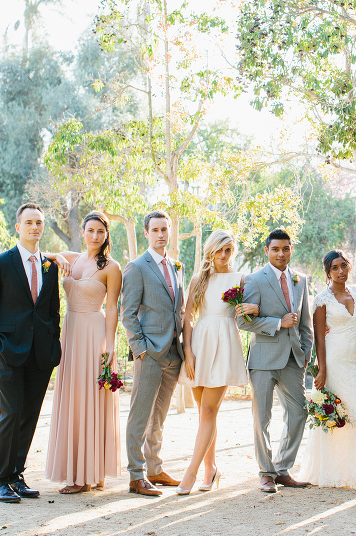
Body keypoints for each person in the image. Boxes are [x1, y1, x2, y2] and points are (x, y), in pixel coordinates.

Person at [0, 203, 63, 503]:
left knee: (29, 416)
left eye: (39, 222)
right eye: (29, 222)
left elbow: (53, 311)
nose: (35, 227)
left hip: (41, 354)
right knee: (10, 414)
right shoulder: (0, 262)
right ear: (18, 227)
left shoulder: (50, 266)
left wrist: (54, 342)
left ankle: (16, 475)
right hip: (9, 352)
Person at [44, 211, 123, 494]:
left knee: (92, 396)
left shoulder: (112, 267)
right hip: (71, 333)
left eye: (100, 231)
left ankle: (88, 474)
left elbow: (112, 307)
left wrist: (111, 345)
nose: (94, 236)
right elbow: (44, 255)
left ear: (106, 235)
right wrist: (58, 257)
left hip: (94, 332)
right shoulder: (73, 258)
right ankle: (83, 470)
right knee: (75, 397)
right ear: (83, 231)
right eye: (90, 230)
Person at [175, 230, 254, 494]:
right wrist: (188, 352)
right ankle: (211, 469)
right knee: (204, 413)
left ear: (233, 251)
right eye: (219, 250)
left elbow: (252, 310)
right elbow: (187, 318)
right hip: (199, 346)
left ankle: (191, 473)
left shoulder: (240, 279)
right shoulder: (199, 279)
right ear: (211, 250)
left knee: (208, 411)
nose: (223, 255)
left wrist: (251, 308)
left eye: (228, 250)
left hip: (225, 345)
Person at [239, 229, 313, 493]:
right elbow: (242, 321)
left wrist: (306, 352)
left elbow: (305, 322)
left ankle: (282, 468)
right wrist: (277, 323)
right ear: (267, 251)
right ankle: (266, 472)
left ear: (291, 249)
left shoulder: (300, 280)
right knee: (262, 418)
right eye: (275, 249)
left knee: (299, 413)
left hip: (294, 359)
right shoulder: (254, 280)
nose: (281, 254)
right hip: (263, 359)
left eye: (285, 248)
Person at [120, 210, 186, 496]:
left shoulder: (176, 266)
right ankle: (136, 475)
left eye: (165, 229)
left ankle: (155, 468)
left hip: (173, 352)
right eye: (155, 230)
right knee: (140, 415)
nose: (161, 234)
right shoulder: (137, 267)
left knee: (159, 417)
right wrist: (140, 349)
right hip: (150, 354)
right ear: (146, 233)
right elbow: (128, 313)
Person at [300, 250, 356, 489]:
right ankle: (330, 472)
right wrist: (322, 370)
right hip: (334, 363)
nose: (341, 271)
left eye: (344, 266)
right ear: (328, 272)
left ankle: (353, 473)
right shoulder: (322, 299)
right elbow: (319, 338)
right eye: (335, 268)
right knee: (335, 418)